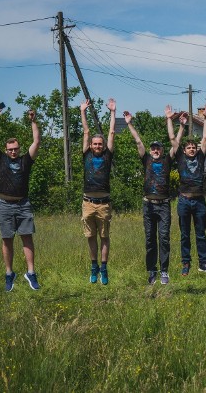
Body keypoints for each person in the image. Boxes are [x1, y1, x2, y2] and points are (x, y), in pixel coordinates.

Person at [0, 106, 41, 291]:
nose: (13, 151)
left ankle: (31, 273)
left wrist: (33, 121)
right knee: (7, 239)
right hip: (4, 205)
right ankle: (9, 274)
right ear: (6, 149)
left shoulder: (26, 160)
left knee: (27, 238)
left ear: (19, 149)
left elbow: (36, 141)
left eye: (15, 149)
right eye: (10, 149)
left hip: (23, 204)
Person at [124, 106, 177, 285]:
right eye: (153, 148)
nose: (155, 150)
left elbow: (175, 143)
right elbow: (138, 141)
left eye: (158, 148)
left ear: (162, 150)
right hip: (148, 204)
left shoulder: (167, 160)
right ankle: (152, 271)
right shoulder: (146, 159)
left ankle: (164, 271)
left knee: (164, 237)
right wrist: (130, 124)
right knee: (149, 239)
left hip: (163, 205)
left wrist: (170, 120)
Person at [169, 103, 206, 276]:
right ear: (185, 150)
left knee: (201, 233)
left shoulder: (201, 157)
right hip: (184, 201)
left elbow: (204, 138)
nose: (191, 149)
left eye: (193, 148)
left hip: (199, 201)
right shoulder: (180, 157)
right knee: (185, 234)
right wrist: (180, 125)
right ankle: (185, 263)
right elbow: (174, 140)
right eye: (189, 148)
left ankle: (203, 263)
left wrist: (205, 120)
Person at [81, 98, 116, 285]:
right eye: (94, 144)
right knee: (90, 237)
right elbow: (86, 131)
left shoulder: (107, 155)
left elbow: (111, 132)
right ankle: (93, 267)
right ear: (90, 146)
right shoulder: (86, 154)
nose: (97, 146)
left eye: (99, 144)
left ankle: (104, 269)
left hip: (103, 204)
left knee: (104, 237)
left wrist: (112, 112)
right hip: (87, 203)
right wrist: (83, 112)